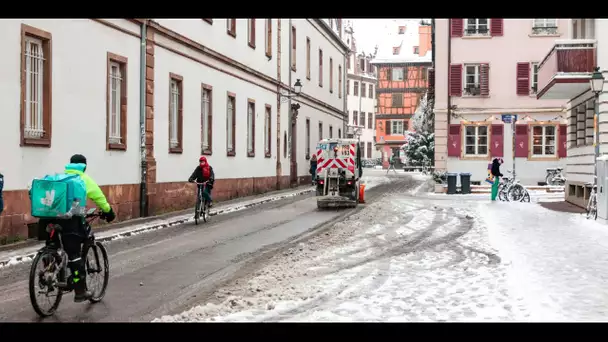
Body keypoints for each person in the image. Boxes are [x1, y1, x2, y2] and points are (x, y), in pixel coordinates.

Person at [42, 154, 116, 302]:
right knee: (74, 253)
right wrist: (109, 212)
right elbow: (100, 198)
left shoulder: (60, 177)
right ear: (84, 166)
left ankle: (47, 272)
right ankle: (80, 290)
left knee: (53, 247)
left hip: (49, 220)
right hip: (71, 223)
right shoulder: (84, 179)